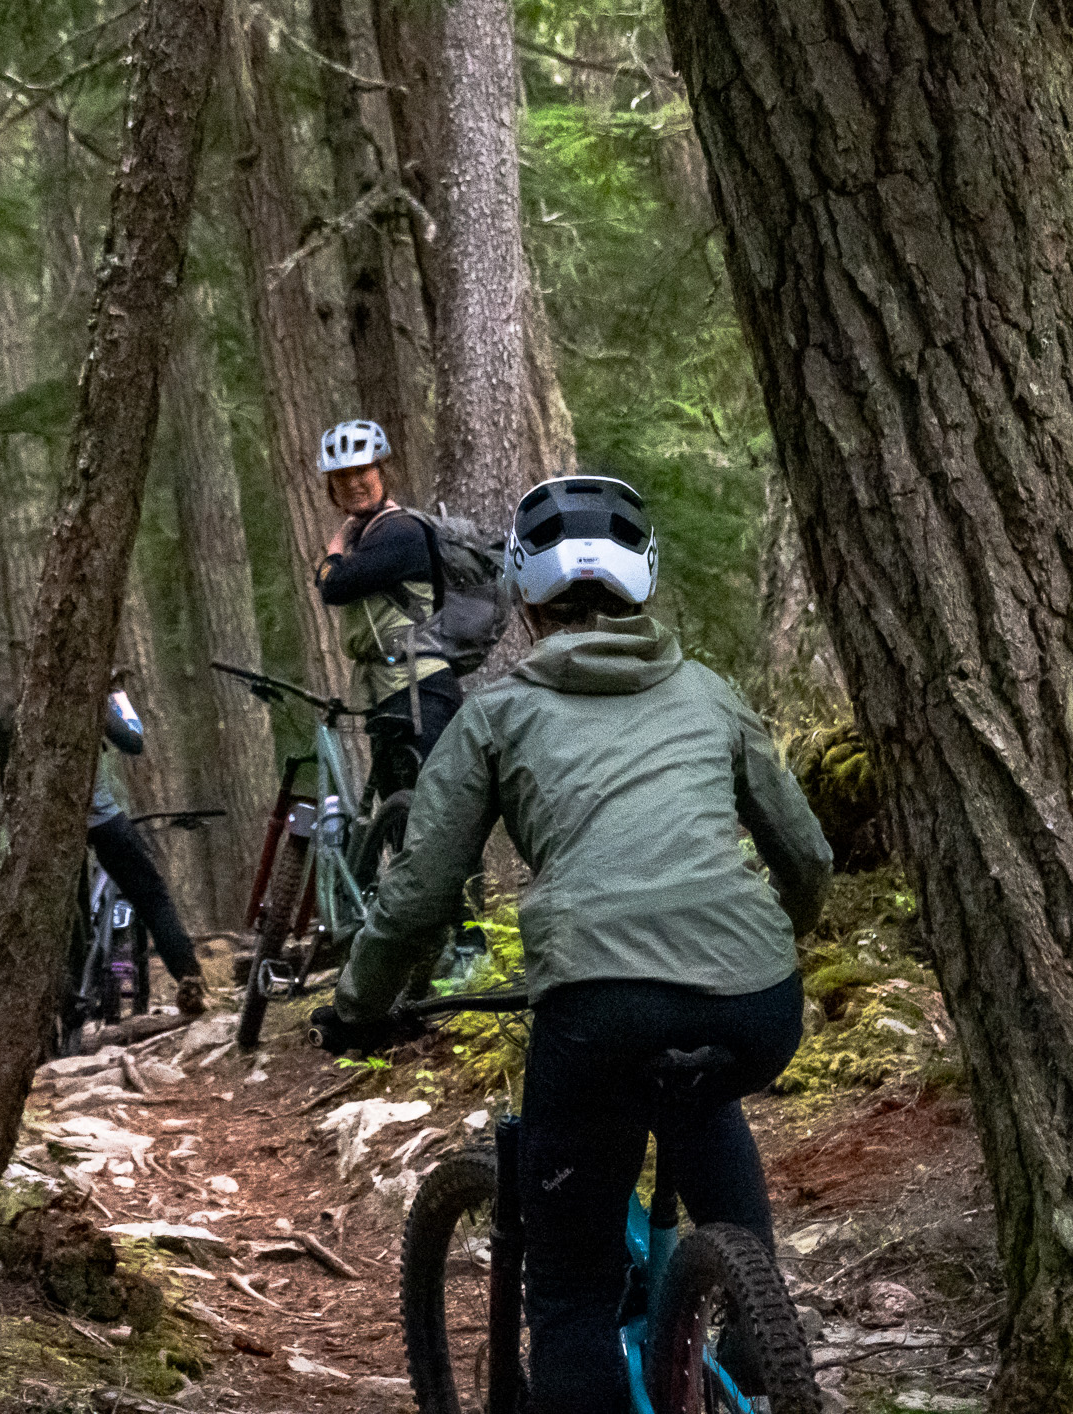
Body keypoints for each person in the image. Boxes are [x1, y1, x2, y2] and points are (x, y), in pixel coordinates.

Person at [314, 477, 833, 1414]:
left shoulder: (496, 717)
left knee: (568, 1292)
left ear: (523, 590)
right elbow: (805, 853)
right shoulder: (710, 695)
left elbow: (421, 891)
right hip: (758, 1001)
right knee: (702, 1103)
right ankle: (759, 1345)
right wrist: (759, 949)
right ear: (644, 582)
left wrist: (360, 1006)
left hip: (598, 1007)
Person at [314, 419, 461, 804]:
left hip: (418, 689)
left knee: (430, 817)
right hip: (389, 689)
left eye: (362, 470)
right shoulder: (371, 534)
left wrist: (334, 548)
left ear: (383, 471)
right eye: (341, 476)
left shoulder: (400, 531)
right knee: (400, 819)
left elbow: (334, 585)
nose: (352, 483)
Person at [87, 689, 207, 1016]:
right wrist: (119, 697)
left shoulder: (21, 711)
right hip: (102, 821)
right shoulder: (87, 695)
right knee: (152, 898)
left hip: (49, 829)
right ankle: (188, 976)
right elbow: (134, 740)